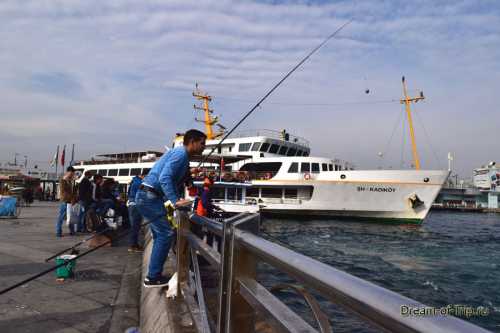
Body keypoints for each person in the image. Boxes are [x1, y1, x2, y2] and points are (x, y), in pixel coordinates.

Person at [136, 129, 206, 288]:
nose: (204, 147)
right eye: (202, 143)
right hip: (149, 197)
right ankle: (153, 277)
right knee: (166, 234)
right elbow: (164, 177)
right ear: (193, 141)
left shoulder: (181, 155)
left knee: (159, 234)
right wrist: (175, 201)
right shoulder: (181, 155)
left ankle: (153, 274)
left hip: (147, 196)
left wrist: (188, 176)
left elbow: (173, 174)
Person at [127, 171, 147, 252]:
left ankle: (134, 245)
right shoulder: (139, 183)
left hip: (131, 205)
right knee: (135, 227)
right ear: (143, 175)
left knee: (134, 227)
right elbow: (144, 194)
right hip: (135, 206)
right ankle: (133, 246)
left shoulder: (134, 181)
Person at [56, 166, 76, 237]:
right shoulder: (63, 180)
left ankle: (72, 231)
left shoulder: (70, 181)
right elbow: (63, 192)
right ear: (68, 172)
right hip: (65, 201)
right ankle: (58, 232)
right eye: (72, 173)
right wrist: (71, 198)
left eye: (73, 173)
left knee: (70, 216)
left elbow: (72, 191)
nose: (73, 174)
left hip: (70, 201)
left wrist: (73, 199)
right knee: (61, 217)